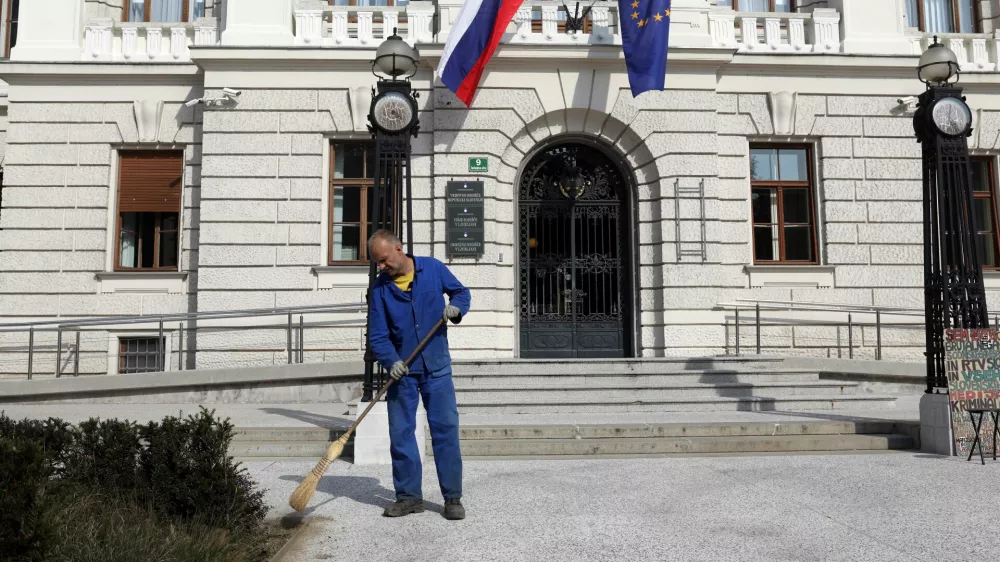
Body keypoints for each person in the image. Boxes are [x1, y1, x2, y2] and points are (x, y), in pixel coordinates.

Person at [366, 229, 471, 520]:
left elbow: (462, 292)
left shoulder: (433, 268)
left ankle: (452, 498)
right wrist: (390, 361)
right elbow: (377, 335)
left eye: (385, 261)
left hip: (436, 368)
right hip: (404, 374)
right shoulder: (378, 289)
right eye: (378, 264)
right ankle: (409, 497)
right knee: (401, 435)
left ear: (399, 249)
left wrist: (456, 308)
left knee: (445, 432)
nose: (382, 267)